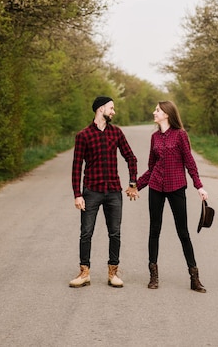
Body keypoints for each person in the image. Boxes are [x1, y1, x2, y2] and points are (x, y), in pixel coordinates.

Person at [127, 100, 208, 292]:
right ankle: (153, 276)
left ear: (167, 114)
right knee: (154, 230)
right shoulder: (154, 138)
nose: (154, 112)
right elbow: (151, 168)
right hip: (156, 187)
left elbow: (190, 162)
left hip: (176, 187)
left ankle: (194, 278)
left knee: (183, 233)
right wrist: (136, 186)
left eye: (157, 110)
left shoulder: (180, 135)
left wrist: (199, 186)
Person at [69, 96, 138, 288]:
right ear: (101, 109)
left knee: (115, 233)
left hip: (114, 192)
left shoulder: (116, 133)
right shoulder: (83, 135)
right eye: (111, 108)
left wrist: (133, 182)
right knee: (86, 233)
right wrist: (78, 194)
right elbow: (76, 167)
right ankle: (84, 273)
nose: (113, 112)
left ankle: (113, 273)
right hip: (91, 191)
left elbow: (131, 158)